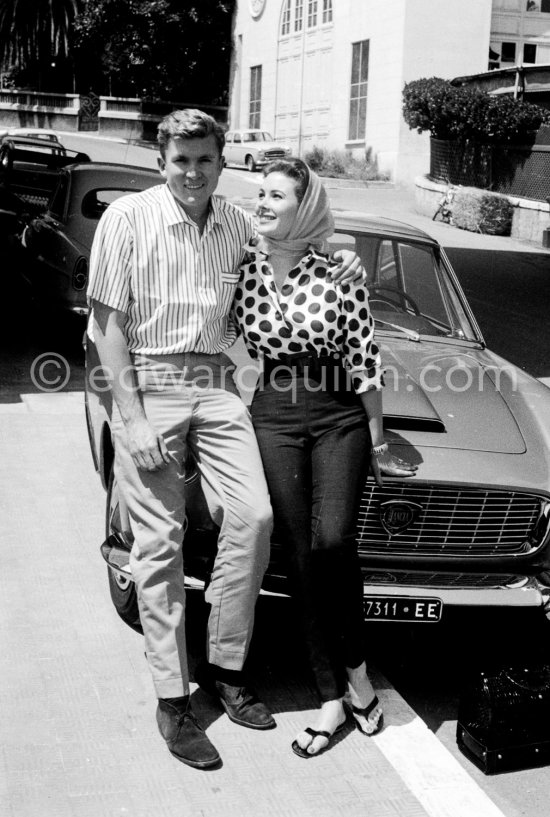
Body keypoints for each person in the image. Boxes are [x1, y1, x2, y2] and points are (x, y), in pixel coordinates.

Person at [87, 109, 364, 770]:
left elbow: (298, 239)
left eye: (205, 160)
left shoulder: (238, 222)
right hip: (147, 379)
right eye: (181, 160)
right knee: (160, 539)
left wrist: (344, 260)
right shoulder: (127, 219)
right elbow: (105, 327)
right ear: (162, 162)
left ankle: (226, 665)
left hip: (215, 384)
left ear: (220, 162)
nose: (192, 172)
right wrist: (131, 417)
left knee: (254, 515)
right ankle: (173, 698)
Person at [232, 157, 417, 758]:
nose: (262, 203)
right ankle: (331, 696)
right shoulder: (244, 267)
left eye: (276, 195)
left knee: (335, 540)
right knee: (302, 555)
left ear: (303, 207)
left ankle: (359, 667)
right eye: (260, 193)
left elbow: (364, 356)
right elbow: (222, 332)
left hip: (339, 410)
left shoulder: (339, 271)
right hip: (276, 411)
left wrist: (379, 435)